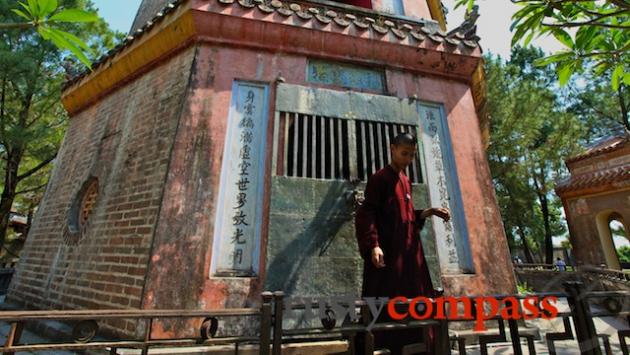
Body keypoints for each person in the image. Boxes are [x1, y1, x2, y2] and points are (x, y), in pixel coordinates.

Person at [355, 132, 451, 354]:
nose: (408, 159)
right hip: (388, 257)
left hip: (409, 256)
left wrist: (429, 211)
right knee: (387, 303)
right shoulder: (379, 178)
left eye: (412, 155)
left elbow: (406, 218)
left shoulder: (406, 181)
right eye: (404, 153)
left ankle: (417, 348)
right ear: (392, 149)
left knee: (414, 301)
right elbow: (367, 212)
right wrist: (373, 245)